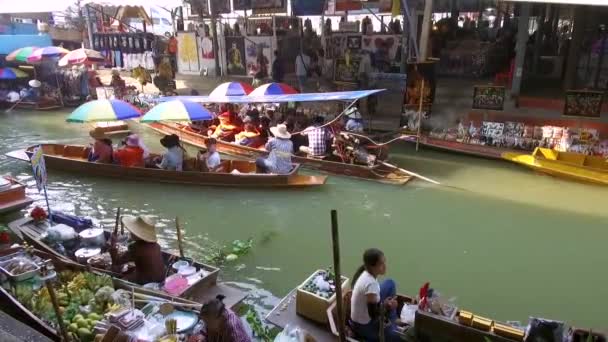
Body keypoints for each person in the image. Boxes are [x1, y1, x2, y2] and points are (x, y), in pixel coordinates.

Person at [350, 248, 400, 342]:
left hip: (366, 311)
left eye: (384, 262)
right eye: (381, 264)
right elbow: (373, 315)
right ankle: (391, 322)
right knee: (398, 337)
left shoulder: (367, 272)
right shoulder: (371, 284)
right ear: (372, 267)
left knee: (390, 283)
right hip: (364, 325)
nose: (385, 266)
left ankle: (393, 318)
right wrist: (387, 306)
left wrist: (385, 305)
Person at [109, 215, 166, 285]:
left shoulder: (135, 248)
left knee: (120, 280)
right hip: (161, 277)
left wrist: (113, 243)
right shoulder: (156, 245)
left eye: (132, 231)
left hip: (148, 282)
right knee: (131, 269)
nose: (130, 232)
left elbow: (116, 261)